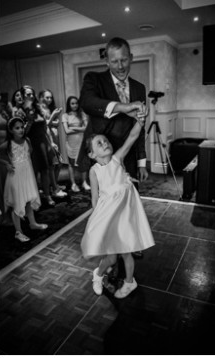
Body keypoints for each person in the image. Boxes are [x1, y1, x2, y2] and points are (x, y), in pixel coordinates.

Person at [79, 37, 149, 258]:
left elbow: (140, 127)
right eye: (115, 61)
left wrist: (141, 161)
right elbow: (88, 103)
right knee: (104, 204)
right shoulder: (94, 79)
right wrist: (124, 106)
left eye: (124, 60)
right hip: (101, 156)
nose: (120, 66)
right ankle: (107, 242)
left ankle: (132, 242)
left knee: (130, 204)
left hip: (126, 156)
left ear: (131, 59)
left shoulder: (139, 87)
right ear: (107, 61)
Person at [81, 117, 154, 299]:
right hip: (108, 216)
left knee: (127, 252)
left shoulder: (117, 159)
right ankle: (98, 274)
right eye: (99, 143)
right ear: (92, 154)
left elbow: (132, 137)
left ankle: (130, 282)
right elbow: (95, 198)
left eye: (105, 141)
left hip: (124, 215)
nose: (105, 143)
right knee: (112, 258)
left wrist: (141, 120)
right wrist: (96, 223)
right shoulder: (94, 171)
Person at [0, 117, 47, 242]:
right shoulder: (8, 144)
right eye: (17, 128)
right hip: (16, 176)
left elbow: (29, 154)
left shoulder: (27, 141)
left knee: (29, 199)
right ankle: (18, 232)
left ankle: (32, 223)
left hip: (27, 174)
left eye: (22, 127)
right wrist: (6, 163)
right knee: (18, 202)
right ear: (11, 130)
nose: (21, 130)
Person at [22, 86, 62, 205]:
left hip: (43, 141)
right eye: (28, 94)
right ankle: (34, 196)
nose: (31, 96)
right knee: (34, 171)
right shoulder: (21, 111)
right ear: (22, 95)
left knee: (46, 169)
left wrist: (50, 142)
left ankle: (48, 195)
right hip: (31, 142)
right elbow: (22, 132)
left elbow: (45, 126)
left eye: (32, 94)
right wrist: (29, 120)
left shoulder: (37, 108)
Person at [39, 89, 65, 196]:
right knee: (53, 164)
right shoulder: (40, 109)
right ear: (41, 97)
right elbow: (44, 125)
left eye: (51, 97)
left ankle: (54, 184)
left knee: (59, 163)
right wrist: (53, 117)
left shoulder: (49, 109)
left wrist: (53, 120)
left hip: (54, 138)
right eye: (47, 97)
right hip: (47, 139)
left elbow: (55, 123)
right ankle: (54, 188)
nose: (50, 99)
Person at [62, 96, 90, 192]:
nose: (75, 105)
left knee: (83, 162)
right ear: (69, 105)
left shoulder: (82, 114)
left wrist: (73, 128)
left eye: (76, 103)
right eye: (72, 103)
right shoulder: (65, 115)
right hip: (70, 143)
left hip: (81, 142)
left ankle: (84, 182)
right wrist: (79, 128)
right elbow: (66, 131)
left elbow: (86, 129)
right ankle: (73, 184)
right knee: (71, 164)